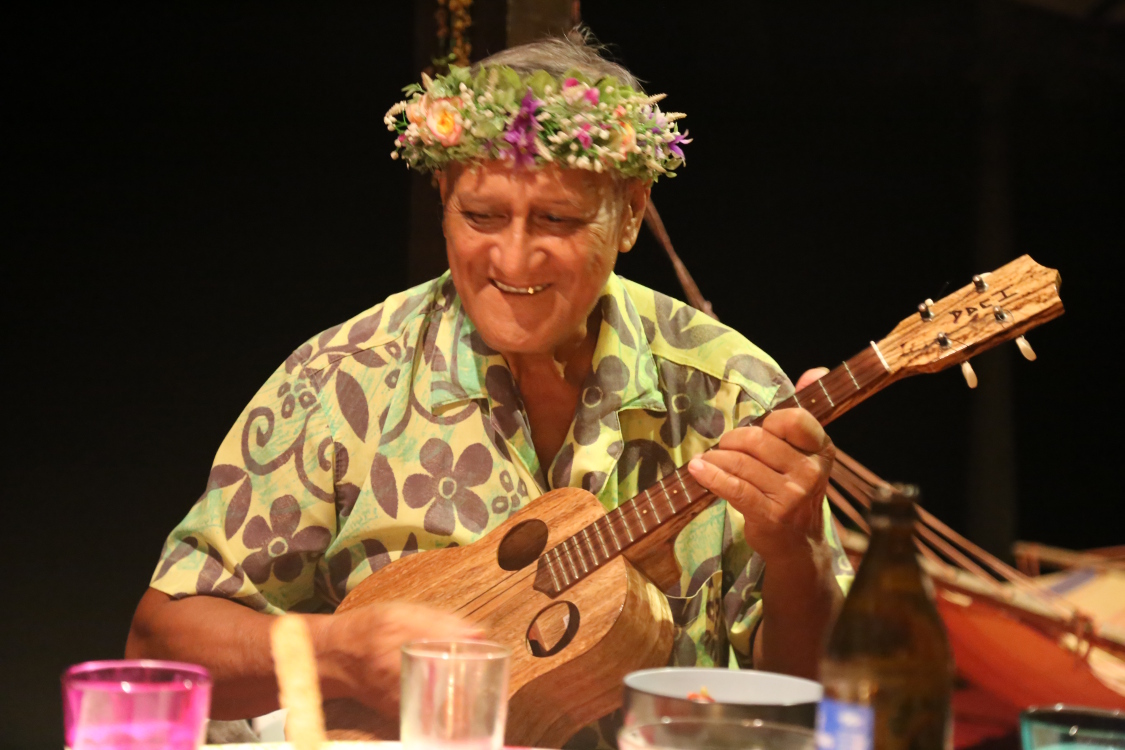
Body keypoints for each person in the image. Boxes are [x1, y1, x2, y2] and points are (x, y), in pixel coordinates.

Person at [127, 34, 853, 745]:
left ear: (630, 213)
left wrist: (797, 555)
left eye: (558, 221)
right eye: (480, 216)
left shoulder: (727, 388)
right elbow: (160, 645)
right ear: (441, 193)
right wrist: (338, 650)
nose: (511, 258)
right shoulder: (345, 377)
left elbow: (820, 708)